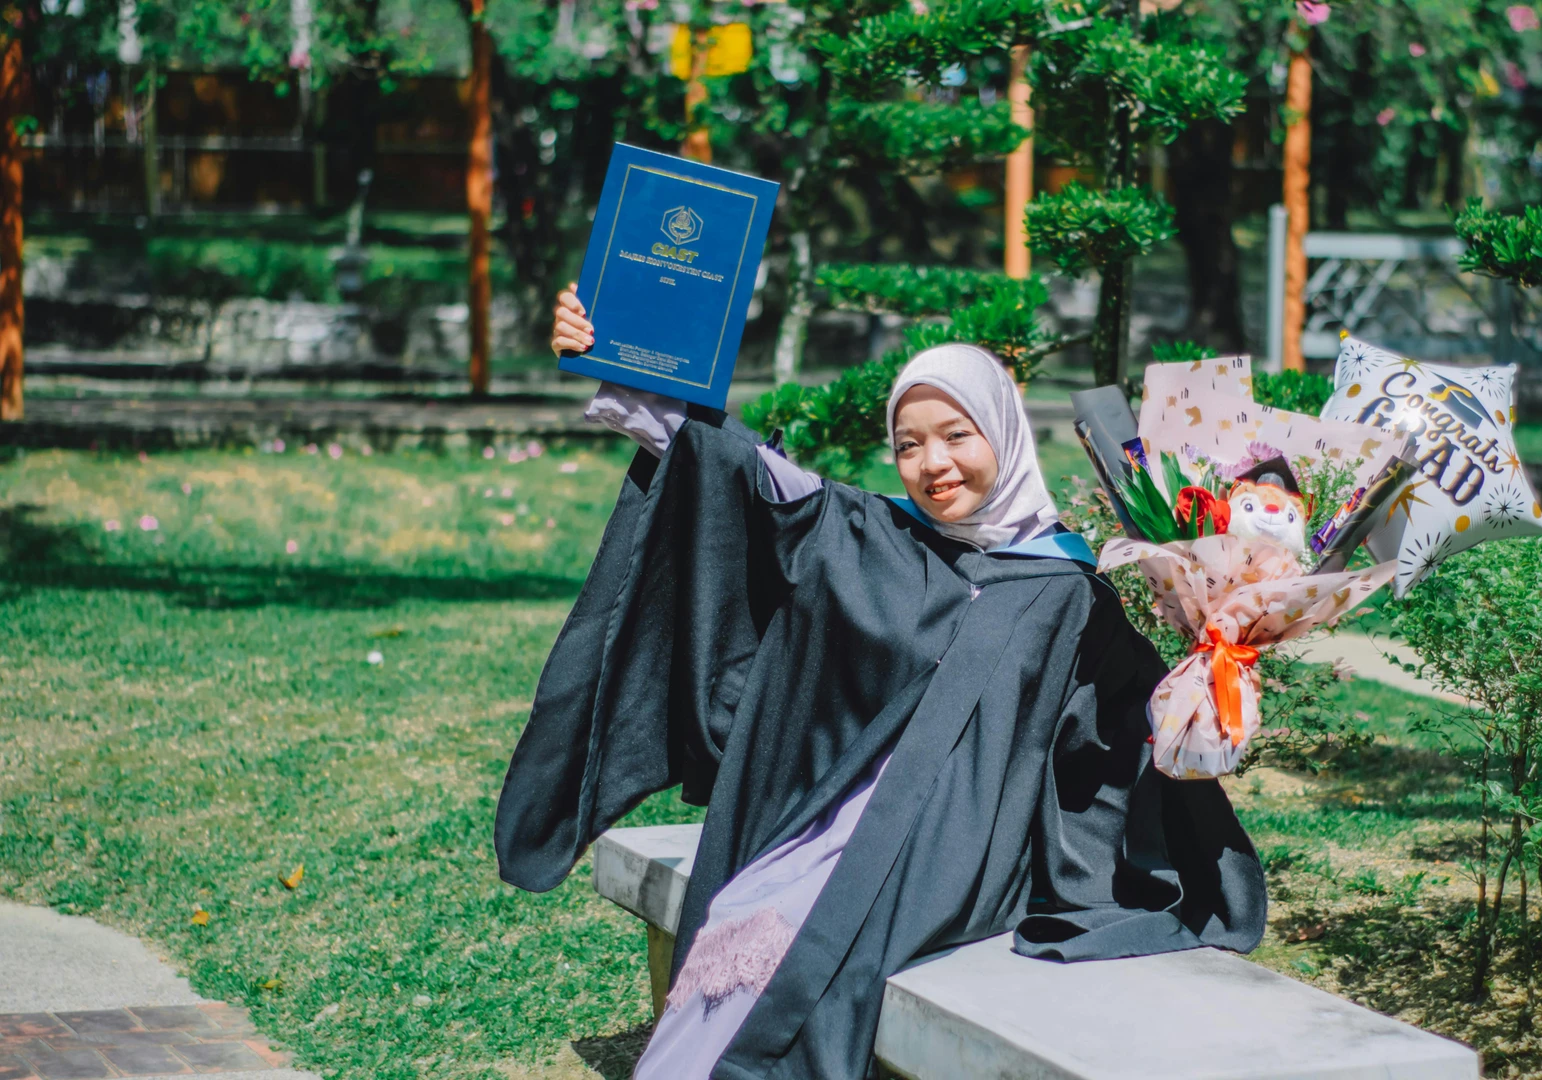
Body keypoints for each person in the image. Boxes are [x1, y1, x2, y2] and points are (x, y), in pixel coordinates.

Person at [493, 286, 1265, 1080]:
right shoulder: (871, 533)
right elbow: (733, 468)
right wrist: (617, 350)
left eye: (957, 435)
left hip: (950, 853)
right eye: (909, 444)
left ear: (1004, 429)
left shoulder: (1069, 591)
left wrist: (1216, 676)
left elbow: (1118, 746)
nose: (933, 465)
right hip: (823, 821)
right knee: (745, 922)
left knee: (803, 950)